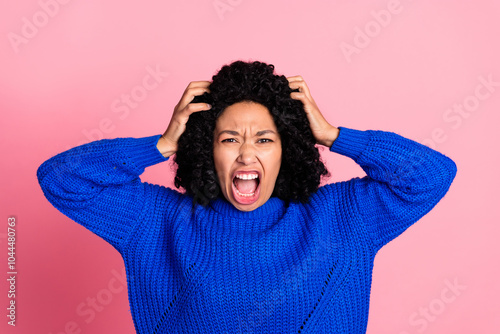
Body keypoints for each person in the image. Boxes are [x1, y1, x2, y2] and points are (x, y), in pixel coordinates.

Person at [37, 60, 457, 334]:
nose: (246, 152)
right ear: (206, 147)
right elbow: (60, 179)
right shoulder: (159, 220)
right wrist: (162, 144)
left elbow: (431, 175)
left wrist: (333, 135)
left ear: (288, 148)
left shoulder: (338, 218)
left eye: (264, 139)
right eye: (229, 138)